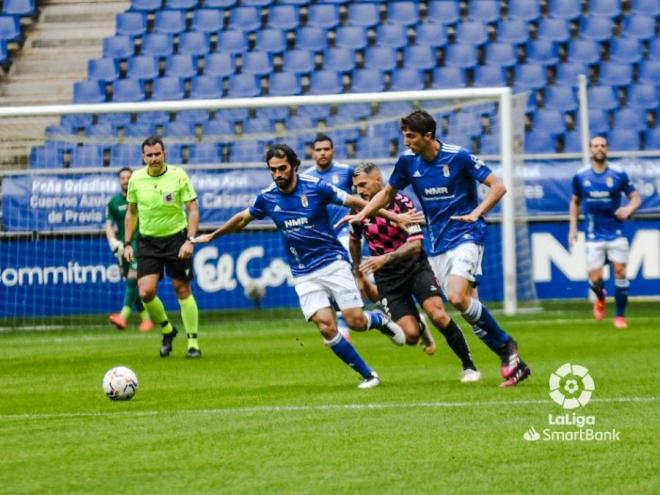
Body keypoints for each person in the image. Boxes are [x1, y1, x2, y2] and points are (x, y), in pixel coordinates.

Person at [193, 144, 422, 389]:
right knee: (326, 326)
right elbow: (241, 218)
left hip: (333, 262)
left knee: (355, 321)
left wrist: (395, 216)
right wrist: (212, 236)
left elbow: (355, 201)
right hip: (303, 272)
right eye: (273, 170)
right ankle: (369, 375)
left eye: (282, 168)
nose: (278, 174)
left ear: (293, 166)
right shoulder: (267, 197)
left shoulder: (315, 187)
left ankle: (377, 320)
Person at [339, 110, 530, 387]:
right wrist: (362, 213)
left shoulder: (459, 156)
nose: (406, 142)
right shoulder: (407, 162)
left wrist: (476, 213)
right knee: (466, 306)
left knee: (456, 298)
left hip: (466, 234)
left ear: (428, 136)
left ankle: (507, 346)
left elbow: (498, 187)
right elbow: (387, 194)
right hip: (438, 243)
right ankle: (513, 361)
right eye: (404, 136)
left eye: (411, 136)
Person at [349, 162, 480, 383]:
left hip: (415, 267)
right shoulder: (358, 209)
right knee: (409, 336)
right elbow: (355, 240)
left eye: (363, 184)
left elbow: (415, 245)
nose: (359, 190)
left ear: (378, 181)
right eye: (355, 187)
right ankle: (419, 326)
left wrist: (384, 258)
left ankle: (469, 366)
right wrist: (359, 273)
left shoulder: (402, 204)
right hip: (387, 278)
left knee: (438, 314)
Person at [124, 137, 202, 358]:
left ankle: (193, 343)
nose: (154, 158)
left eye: (157, 154)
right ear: (143, 157)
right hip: (148, 241)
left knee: (182, 289)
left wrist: (190, 240)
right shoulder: (136, 179)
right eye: (149, 155)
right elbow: (131, 212)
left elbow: (193, 210)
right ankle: (168, 330)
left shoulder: (178, 175)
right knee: (145, 293)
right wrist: (128, 243)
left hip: (177, 239)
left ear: (164, 153)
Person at [569, 136, 641, 329]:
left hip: (616, 232)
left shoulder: (618, 173)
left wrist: (628, 209)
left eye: (602, 145)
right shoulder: (581, 176)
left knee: (620, 272)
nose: (599, 148)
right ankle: (600, 297)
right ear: (590, 150)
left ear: (607, 149)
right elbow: (574, 202)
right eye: (595, 146)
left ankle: (619, 316)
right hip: (593, 234)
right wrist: (573, 228)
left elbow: (635, 198)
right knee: (596, 279)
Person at [303, 135, 354, 339]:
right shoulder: (306, 177)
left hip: (345, 232)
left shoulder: (346, 171)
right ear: (312, 153)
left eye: (326, 149)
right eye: (318, 149)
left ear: (333, 151)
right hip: (322, 236)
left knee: (341, 269)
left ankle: (343, 322)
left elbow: (361, 193)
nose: (322, 153)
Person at [106, 167, 153, 332]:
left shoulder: (141, 198)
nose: (125, 180)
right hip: (123, 246)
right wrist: (113, 241)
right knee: (133, 284)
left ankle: (123, 316)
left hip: (140, 244)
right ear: (119, 181)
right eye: (123, 178)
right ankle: (146, 320)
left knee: (133, 278)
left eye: (128, 177)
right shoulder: (113, 202)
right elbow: (109, 225)